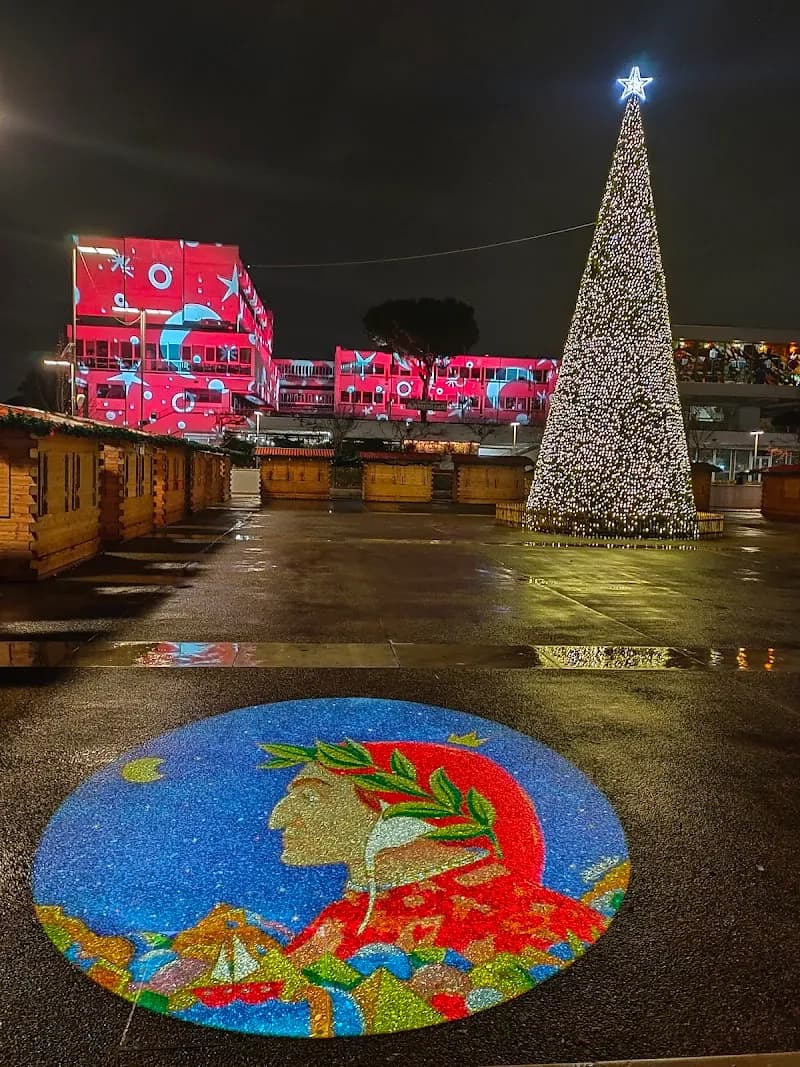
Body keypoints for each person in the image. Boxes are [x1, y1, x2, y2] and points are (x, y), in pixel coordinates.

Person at [261, 739, 622, 1029]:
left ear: (402, 815)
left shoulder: (525, 919)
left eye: (309, 797)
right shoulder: (346, 916)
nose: (277, 818)